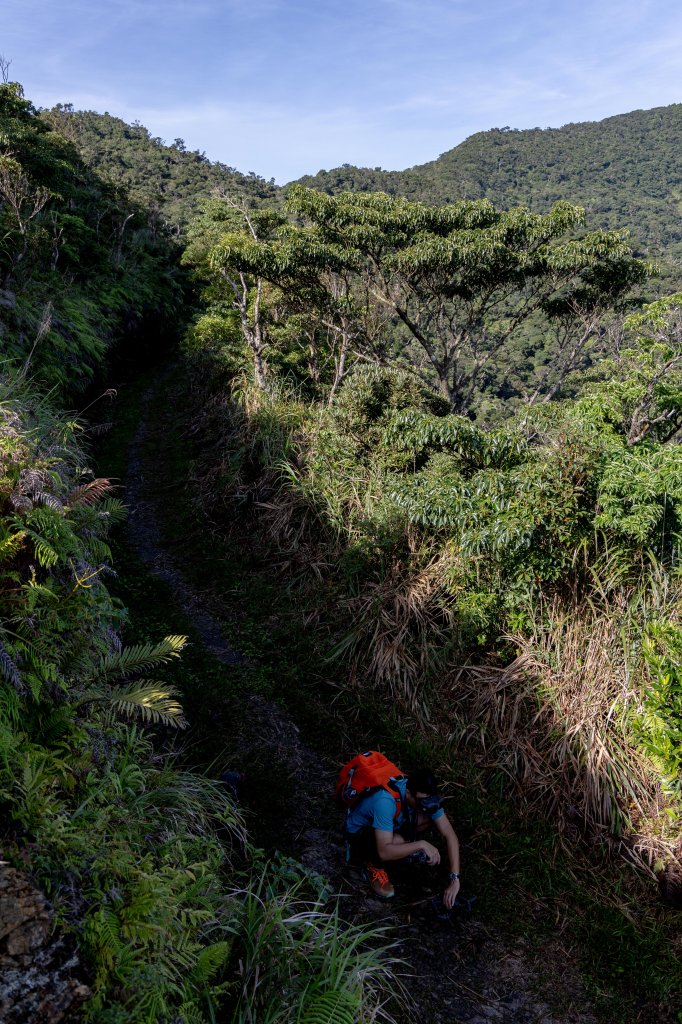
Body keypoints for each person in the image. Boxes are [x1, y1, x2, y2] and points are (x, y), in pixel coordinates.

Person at [344, 767, 461, 906]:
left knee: (426, 817)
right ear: (408, 793)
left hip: (388, 826)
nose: (426, 806)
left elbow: (449, 833)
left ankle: (402, 848)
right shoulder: (385, 801)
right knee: (386, 850)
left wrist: (455, 878)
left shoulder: (424, 796)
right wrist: (421, 844)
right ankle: (371, 864)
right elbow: (384, 852)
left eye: (429, 800)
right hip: (361, 833)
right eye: (422, 802)